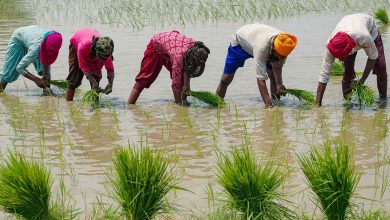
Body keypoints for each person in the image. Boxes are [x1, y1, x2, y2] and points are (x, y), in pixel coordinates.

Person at [215, 23, 297, 108]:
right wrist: (268, 106)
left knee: (273, 76)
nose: (281, 58)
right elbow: (260, 79)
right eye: (279, 55)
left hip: (260, 43)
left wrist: (279, 84)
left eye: (283, 56)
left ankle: (276, 104)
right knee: (225, 79)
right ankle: (217, 104)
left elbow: (277, 66)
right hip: (240, 45)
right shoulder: (261, 47)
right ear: (274, 48)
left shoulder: (285, 43)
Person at [316, 13, 387, 106]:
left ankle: (383, 102)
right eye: (338, 57)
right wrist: (317, 104)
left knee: (381, 67)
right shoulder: (331, 46)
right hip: (348, 24)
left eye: (342, 57)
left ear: (349, 49)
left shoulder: (364, 37)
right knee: (347, 73)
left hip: (369, 30)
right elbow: (323, 76)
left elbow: (372, 57)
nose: (340, 60)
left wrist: (362, 80)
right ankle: (347, 103)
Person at [127, 30, 210, 105]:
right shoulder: (179, 59)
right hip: (156, 45)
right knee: (144, 78)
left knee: (181, 78)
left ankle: (184, 101)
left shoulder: (197, 47)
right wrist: (180, 106)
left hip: (172, 45)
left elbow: (188, 66)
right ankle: (130, 105)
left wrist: (186, 85)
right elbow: (175, 85)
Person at [0, 25, 62, 93]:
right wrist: (36, 80)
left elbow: (47, 64)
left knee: (43, 70)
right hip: (19, 39)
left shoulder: (54, 41)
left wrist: (47, 80)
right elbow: (20, 68)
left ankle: (47, 93)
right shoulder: (35, 49)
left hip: (33, 35)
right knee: (9, 72)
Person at [66, 28, 115, 101]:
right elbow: (82, 66)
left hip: (94, 50)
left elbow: (110, 69)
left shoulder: (106, 50)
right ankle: (69, 103)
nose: (105, 59)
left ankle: (95, 106)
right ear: (96, 52)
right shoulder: (83, 46)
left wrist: (110, 84)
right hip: (77, 44)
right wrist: (92, 80)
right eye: (102, 58)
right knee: (74, 78)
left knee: (96, 79)